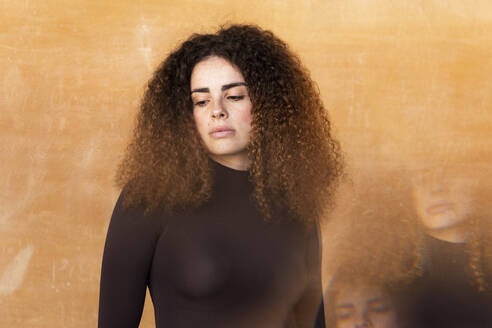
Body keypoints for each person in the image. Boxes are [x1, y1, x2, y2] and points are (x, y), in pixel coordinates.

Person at [98, 24, 342, 328]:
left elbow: (311, 322)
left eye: (235, 96)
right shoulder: (149, 199)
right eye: (201, 101)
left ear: (270, 104)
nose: (217, 111)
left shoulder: (295, 201)